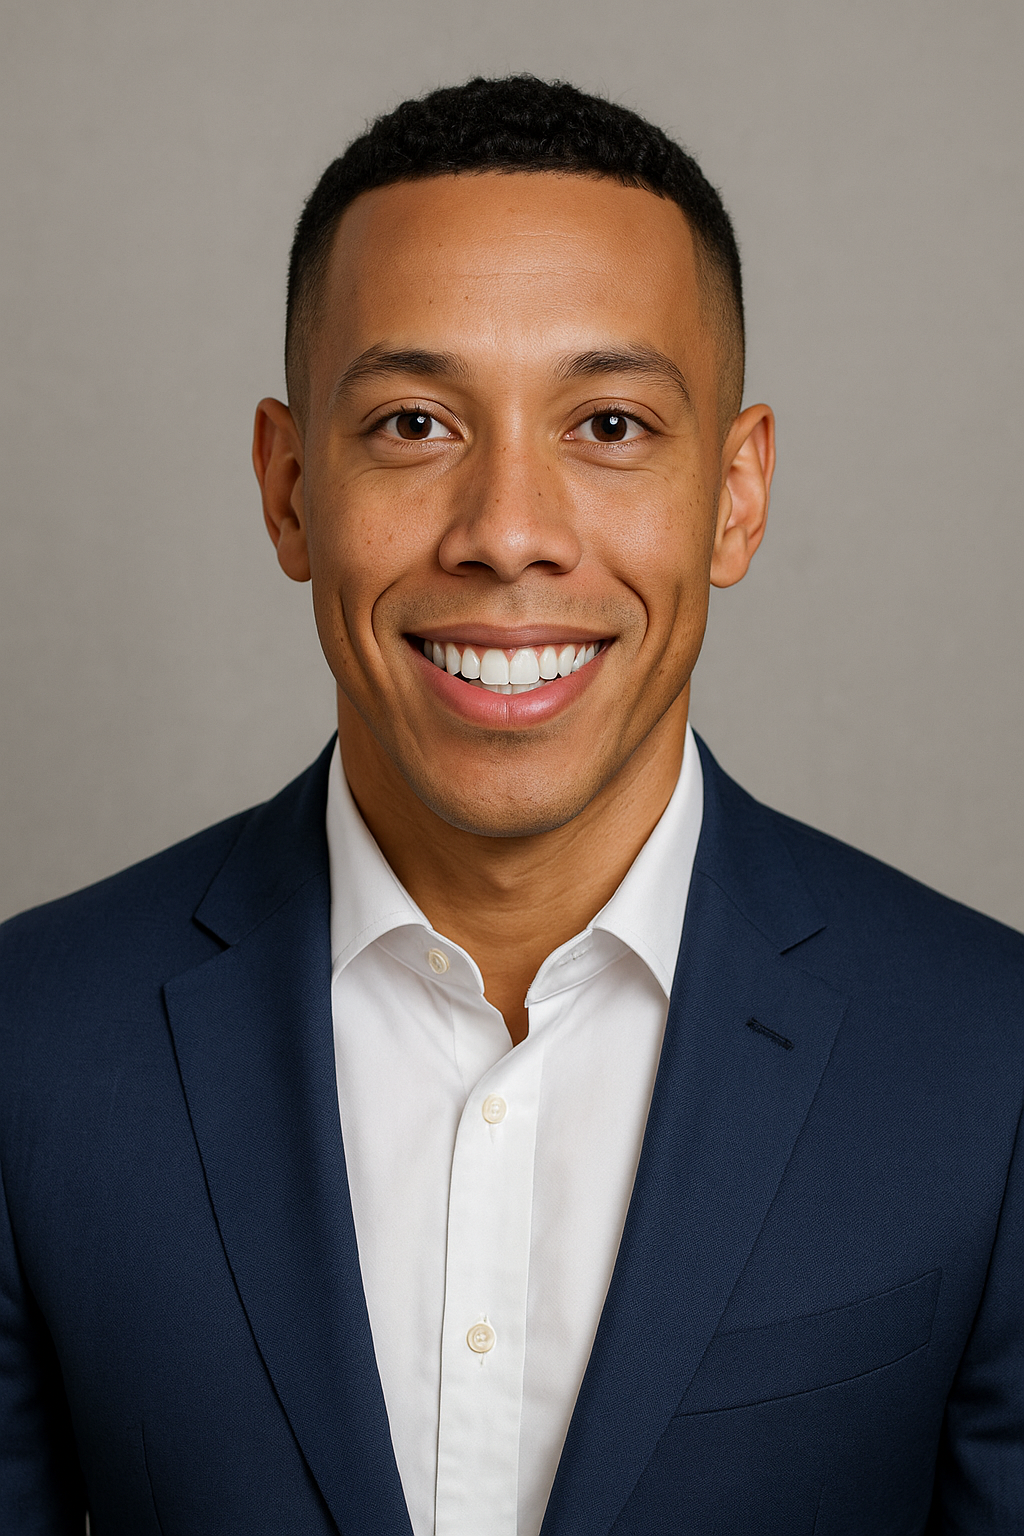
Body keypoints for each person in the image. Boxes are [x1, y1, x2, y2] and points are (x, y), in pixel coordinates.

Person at [1, 74, 1022, 1536]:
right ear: (291, 490)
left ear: (735, 496)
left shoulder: (992, 1066)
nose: (508, 534)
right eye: (416, 423)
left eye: (608, 423)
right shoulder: (30, 1046)